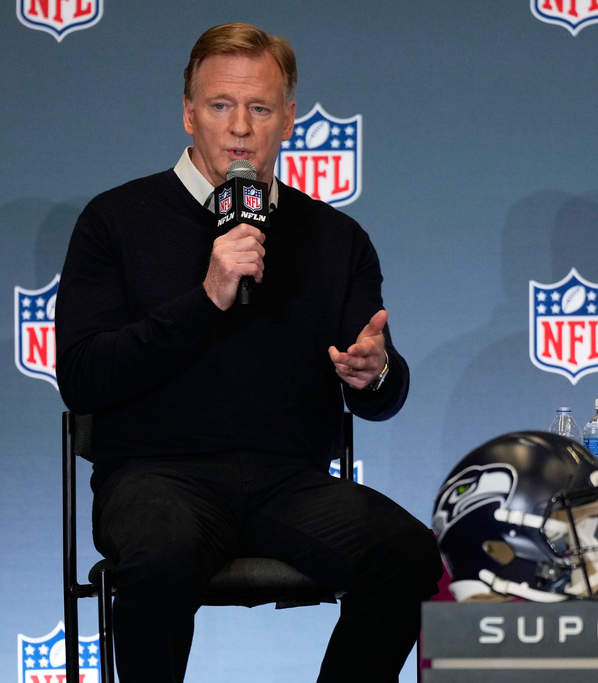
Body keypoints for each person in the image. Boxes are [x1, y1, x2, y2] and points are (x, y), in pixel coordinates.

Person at [55, 22, 441, 683]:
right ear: (187, 112)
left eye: (259, 108)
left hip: (287, 481)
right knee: (158, 558)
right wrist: (205, 295)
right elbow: (83, 377)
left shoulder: (335, 237)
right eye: (220, 106)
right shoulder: (114, 221)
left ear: (288, 118)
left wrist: (374, 374)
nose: (240, 127)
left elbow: (377, 385)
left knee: (412, 557)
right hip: (156, 476)